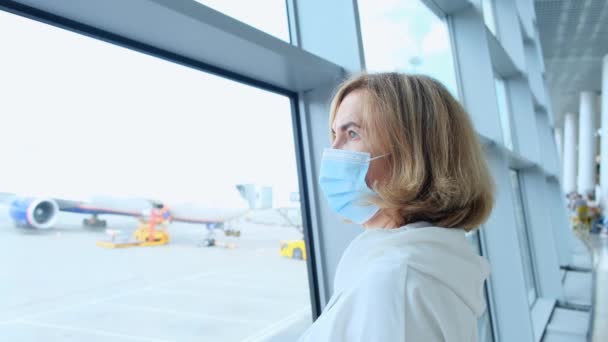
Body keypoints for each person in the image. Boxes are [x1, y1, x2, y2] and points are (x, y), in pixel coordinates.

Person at [297, 73, 494, 342]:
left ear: (412, 155)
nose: (333, 151)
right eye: (334, 134)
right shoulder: (429, 259)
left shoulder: (397, 281)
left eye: (352, 133)